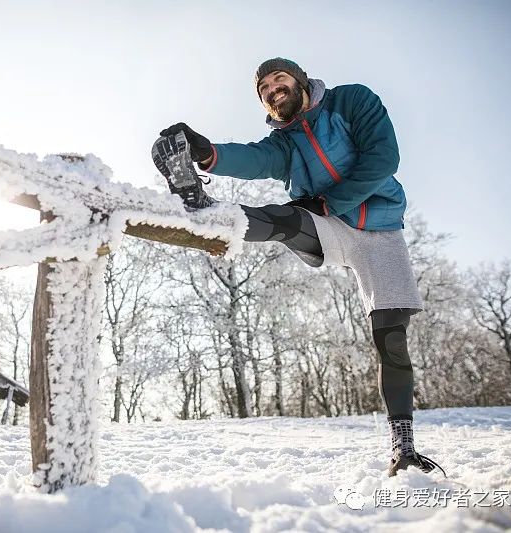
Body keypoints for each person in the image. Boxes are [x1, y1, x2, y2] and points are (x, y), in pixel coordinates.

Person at [152, 58, 444, 477]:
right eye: (264, 89)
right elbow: (254, 160)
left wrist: (330, 202)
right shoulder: (284, 143)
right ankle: (209, 213)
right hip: (328, 224)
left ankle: (404, 448)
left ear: (300, 80)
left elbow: (383, 158)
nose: (272, 90)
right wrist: (206, 152)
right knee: (285, 222)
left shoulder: (352, 100)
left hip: (378, 228)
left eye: (279, 80)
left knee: (392, 339)